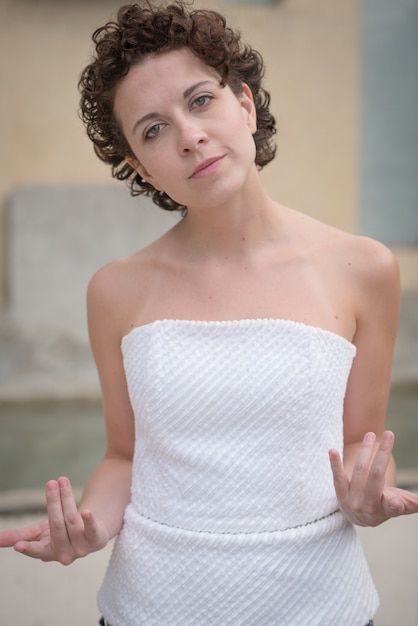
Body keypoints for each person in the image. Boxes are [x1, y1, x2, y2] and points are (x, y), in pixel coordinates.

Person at [1, 2, 417, 624]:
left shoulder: (365, 268)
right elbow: (123, 454)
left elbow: (359, 439)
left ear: (244, 106)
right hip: (148, 606)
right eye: (153, 129)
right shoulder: (115, 290)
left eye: (200, 101)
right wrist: (92, 525)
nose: (189, 136)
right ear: (144, 170)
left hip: (320, 604)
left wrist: (366, 498)